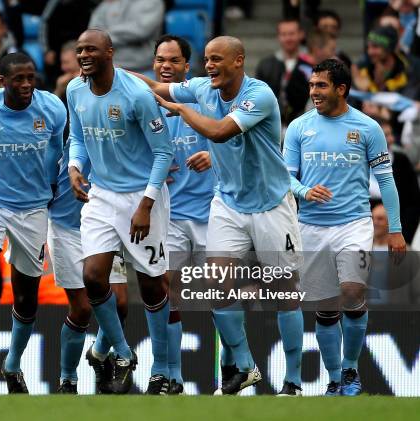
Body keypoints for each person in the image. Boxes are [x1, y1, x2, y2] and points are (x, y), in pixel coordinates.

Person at [133, 35, 305, 396]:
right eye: (207, 60)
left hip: (272, 204)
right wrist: (113, 72)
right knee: (217, 284)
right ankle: (244, 366)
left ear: (239, 60)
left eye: (216, 59)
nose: (209, 66)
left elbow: (219, 131)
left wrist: (180, 110)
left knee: (283, 292)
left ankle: (293, 382)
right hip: (227, 203)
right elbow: (156, 85)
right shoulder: (202, 87)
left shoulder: (259, 96)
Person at [283, 58, 406, 396]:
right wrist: (305, 191)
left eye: (320, 86)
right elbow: (285, 178)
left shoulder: (367, 128)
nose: (313, 92)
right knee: (324, 307)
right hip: (310, 226)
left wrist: (395, 229)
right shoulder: (298, 127)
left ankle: (351, 368)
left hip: (353, 223)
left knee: (352, 292)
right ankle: (335, 378)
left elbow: (386, 181)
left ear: (341, 89)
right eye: (311, 86)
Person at [68, 29, 173, 395]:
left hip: (143, 197)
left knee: (151, 283)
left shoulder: (138, 95)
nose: (83, 55)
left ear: (109, 53)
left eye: (91, 49)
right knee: (93, 276)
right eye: (79, 49)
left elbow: (164, 152)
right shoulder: (74, 89)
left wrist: (145, 205)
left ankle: (161, 371)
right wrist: (75, 165)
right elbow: (78, 137)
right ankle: (124, 353)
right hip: (102, 196)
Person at [0, 52, 65, 394]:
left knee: (26, 295)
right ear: (2, 81)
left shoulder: (51, 109)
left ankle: (13, 364)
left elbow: (57, 147)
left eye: (30, 77)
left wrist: (49, 183)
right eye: (18, 79)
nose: (26, 85)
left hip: (32, 208)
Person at [151, 34, 215, 395]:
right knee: (169, 292)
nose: (165, 66)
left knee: (222, 296)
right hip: (170, 214)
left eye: (173, 60)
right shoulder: (147, 104)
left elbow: (237, 141)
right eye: (160, 59)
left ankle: (231, 372)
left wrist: (214, 157)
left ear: (186, 66)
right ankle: (171, 377)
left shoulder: (204, 97)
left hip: (212, 213)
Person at [48, 140, 129, 394]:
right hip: (65, 226)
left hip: (104, 223)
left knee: (121, 303)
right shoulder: (63, 133)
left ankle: (99, 353)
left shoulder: (116, 132)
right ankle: (68, 379)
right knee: (81, 309)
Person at [255, 18, 311, 126]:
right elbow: (258, 96)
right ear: (278, 37)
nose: (288, 38)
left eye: (291, 34)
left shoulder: (312, 63)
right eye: (284, 34)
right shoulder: (266, 64)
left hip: (304, 122)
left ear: (301, 34)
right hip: (273, 123)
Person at [88, 0, 165, 74]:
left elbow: (140, 31)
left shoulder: (153, 2)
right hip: (111, 66)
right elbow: (93, 33)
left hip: (142, 68)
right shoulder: (108, 3)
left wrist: (105, 35)